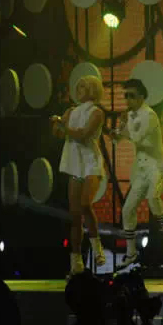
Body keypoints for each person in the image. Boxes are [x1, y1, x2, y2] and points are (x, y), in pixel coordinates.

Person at [110, 78, 163, 269]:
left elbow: (137, 138)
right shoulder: (131, 116)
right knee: (127, 209)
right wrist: (118, 129)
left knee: (153, 198)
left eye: (131, 95)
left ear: (141, 96)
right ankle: (131, 252)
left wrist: (123, 128)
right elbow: (118, 139)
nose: (127, 100)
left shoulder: (149, 115)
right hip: (141, 169)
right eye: (125, 96)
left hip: (157, 166)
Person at [50, 75, 107, 279]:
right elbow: (59, 134)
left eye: (83, 86)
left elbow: (83, 135)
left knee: (85, 204)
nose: (79, 89)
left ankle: (97, 247)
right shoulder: (71, 112)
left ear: (92, 89)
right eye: (78, 86)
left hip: (91, 162)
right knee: (74, 215)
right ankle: (76, 263)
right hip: (75, 163)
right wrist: (56, 124)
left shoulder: (97, 112)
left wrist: (63, 127)